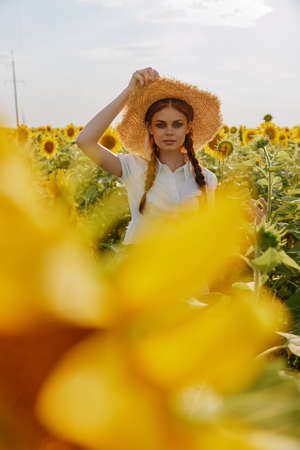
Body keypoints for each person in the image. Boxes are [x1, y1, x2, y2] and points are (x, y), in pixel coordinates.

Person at [76, 67, 265, 248]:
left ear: (188, 128)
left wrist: (251, 226)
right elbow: (85, 141)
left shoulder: (207, 179)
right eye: (160, 125)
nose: (169, 132)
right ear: (150, 128)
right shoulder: (133, 167)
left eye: (177, 125)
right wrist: (129, 93)